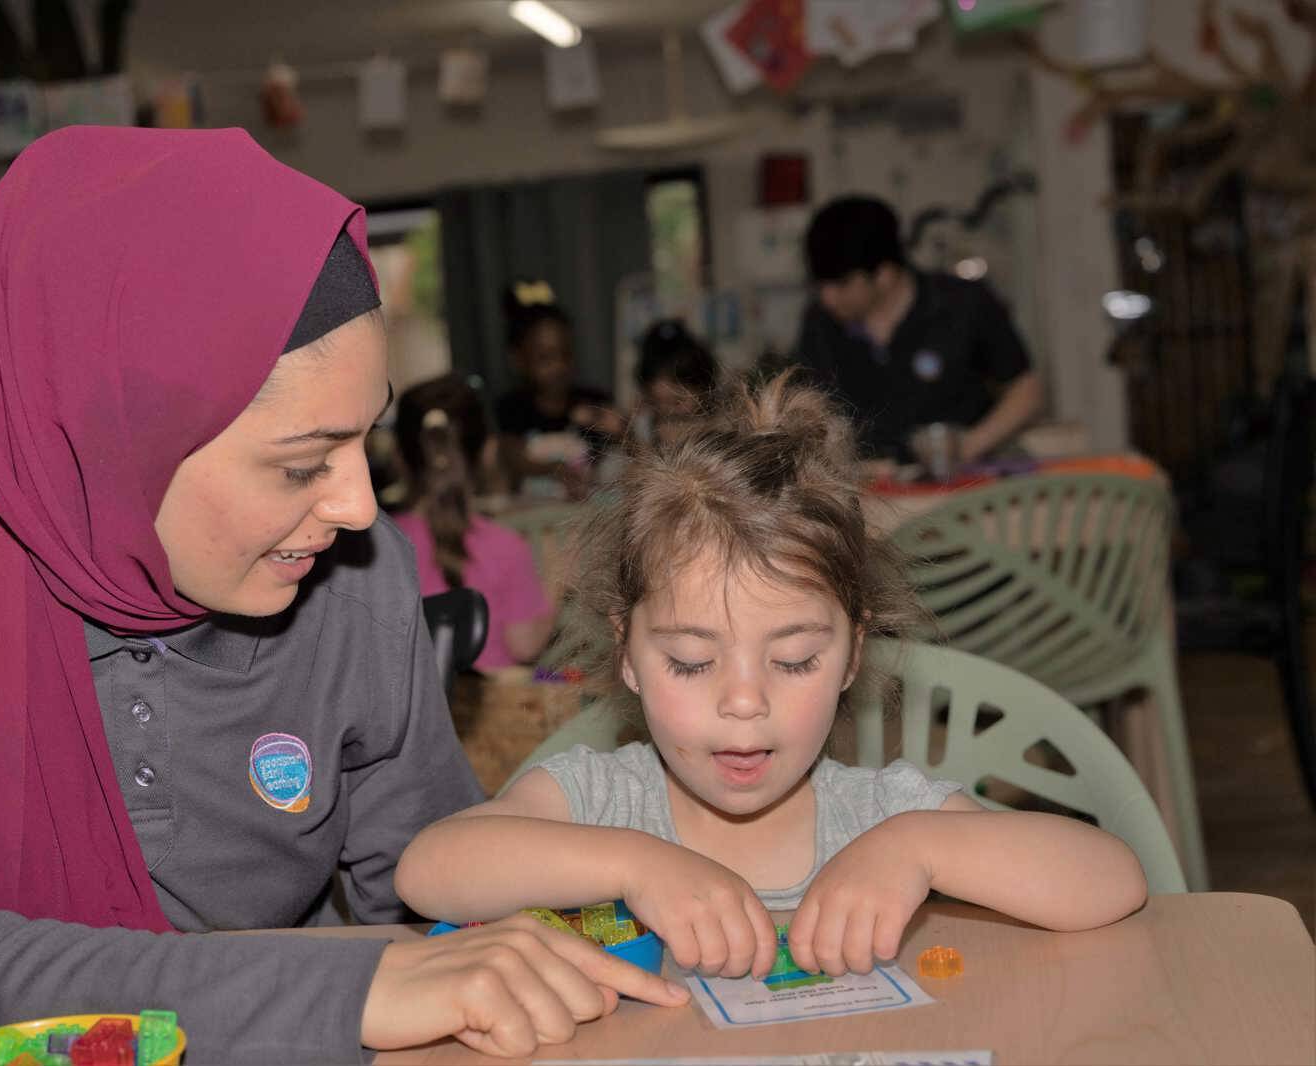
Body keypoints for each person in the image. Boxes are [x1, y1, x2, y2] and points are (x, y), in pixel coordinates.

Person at [0, 127, 685, 1064]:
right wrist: (336, 990)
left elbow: (436, 887)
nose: (360, 507)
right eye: (299, 466)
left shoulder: (355, 586)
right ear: (120, 441)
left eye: (366, 441)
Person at [396, 373, 1147, 980]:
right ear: (627, 653)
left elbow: (1113, 880)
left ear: (853, 653)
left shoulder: (881, 815)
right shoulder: (601, 803)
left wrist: (921, 848)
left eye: (794, 661)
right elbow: (430, 869)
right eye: (691, 662)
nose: (746, 702)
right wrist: (634, 864)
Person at [758, 196, 1044, 464]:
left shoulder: (964, 303)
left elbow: (1026, 390)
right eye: (820, 285)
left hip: (962, 488)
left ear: (884, 274)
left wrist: (968, 447)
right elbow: (806, 405)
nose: (827, 297)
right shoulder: (819, 323)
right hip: (869, 496)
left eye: (841, 284)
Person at [392, 374, 554, 669]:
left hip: (408, 712)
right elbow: (525, 646)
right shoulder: (506, 546)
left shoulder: (373, 548)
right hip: (496, 706)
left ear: (399, 457)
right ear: (488, 452)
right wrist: (558, 578)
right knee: (572, 680)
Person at [493, 281, 625, 498]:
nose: (559, 367)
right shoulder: (513, 407)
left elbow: (626, 454)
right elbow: (511, 456)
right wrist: (556, 470)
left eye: (566, 355)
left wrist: (621, 430)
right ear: (518, 360)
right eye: (545, 358)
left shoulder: (593, 401)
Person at [633, 318, 721, 448]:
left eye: (678, 401)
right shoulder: (644, 427)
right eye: (656, 402)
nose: (669, 411)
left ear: (704, 390)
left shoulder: (722, 427)